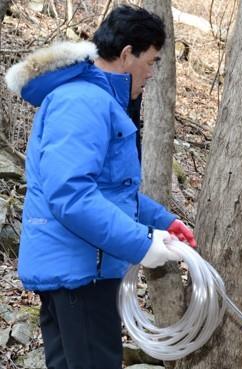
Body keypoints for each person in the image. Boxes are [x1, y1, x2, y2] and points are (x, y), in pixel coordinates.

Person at [5, 5, 196, 369]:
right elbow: (72, 196)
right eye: (152, 61)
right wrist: (142, 244)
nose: (152, 73)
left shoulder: (93, 100)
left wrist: (161, 222)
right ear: (127, 54)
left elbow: (110, 191)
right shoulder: (84, 102)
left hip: (76, 270)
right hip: (81, 274)